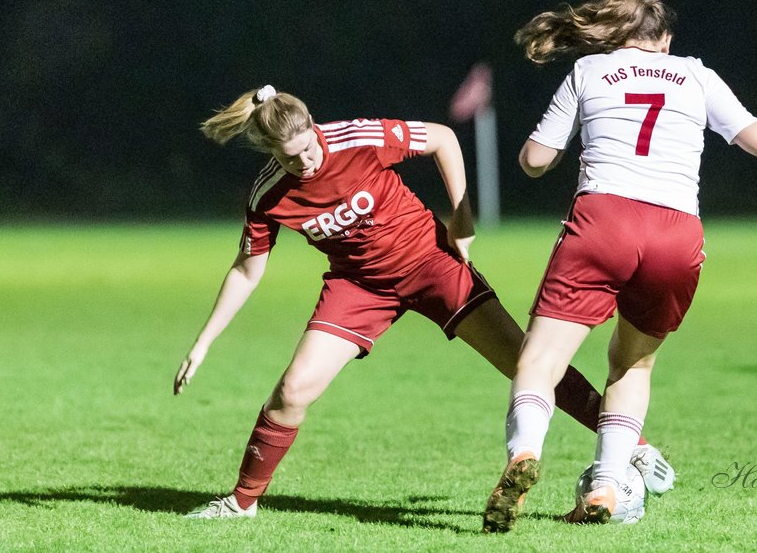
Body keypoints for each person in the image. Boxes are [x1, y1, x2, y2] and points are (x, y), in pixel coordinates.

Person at [174, 85, 675, 518]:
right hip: (359, 287)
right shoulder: (270, 195)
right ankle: (241, 503)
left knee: (530, 363)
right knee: (292, 390)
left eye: (308, 147)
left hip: (432, 262)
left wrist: (462, 213)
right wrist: (203, 342)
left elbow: (442, 137)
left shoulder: (356, 139)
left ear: (313, 128)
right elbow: (247, 268)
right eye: (290, 157)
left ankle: (633, 446)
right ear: (269, 152)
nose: (306, 162)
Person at [482, 0, 757, 531]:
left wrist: (538, 152)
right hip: (675, 233)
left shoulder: (590, 70)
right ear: (664, 40)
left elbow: (536, 161)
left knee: (540, 361)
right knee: (632, 363)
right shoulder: (696, 74)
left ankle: (525, 452)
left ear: (614, 35)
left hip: (603, 222)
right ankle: (609, 486)